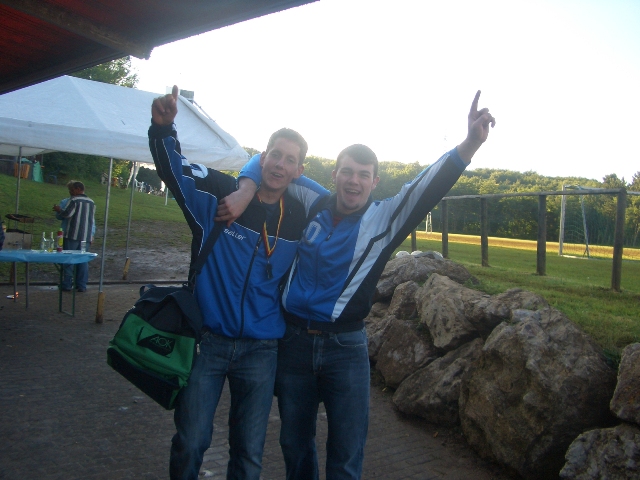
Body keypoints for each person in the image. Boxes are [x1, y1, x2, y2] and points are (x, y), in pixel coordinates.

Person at [222, 90, 496, 480]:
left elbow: (429, 186)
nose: (354, 181)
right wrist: (246, 189)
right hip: (294, 344)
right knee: (294, 446)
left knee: (346, 454)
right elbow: (263, 162)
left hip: (345, 349)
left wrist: (470, 143)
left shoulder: (384, 220)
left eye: (363, 175)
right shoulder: (313, 201)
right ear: (334, 175)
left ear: (374, 181)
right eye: (347, 172)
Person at [149, 85, 309, 480]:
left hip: (261, 350)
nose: (280, 165)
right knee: (191, 442)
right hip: (208, 341)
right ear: (262, 157)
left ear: (298, 171)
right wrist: (163, 130)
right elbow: (176, 172)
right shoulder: (222, 194)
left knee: (249, 454)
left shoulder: (300, 218)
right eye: (275, 155)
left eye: (290, 160)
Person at [53, 181, 95, 292]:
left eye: (72, 190)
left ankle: (67, 284)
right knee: (83, 261)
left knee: (69, 259)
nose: (70, 192)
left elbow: (67, 214)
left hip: (72, 234)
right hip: (85, 236)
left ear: (78, 189)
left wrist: (59, 210)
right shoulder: (91, 202)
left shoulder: (74, 200)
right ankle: (81, 285)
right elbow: (91, 220)